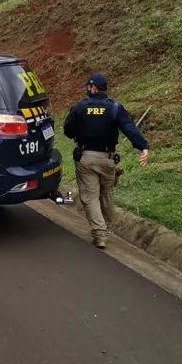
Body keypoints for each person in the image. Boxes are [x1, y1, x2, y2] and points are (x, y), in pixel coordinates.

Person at [63, 73, 149, 249]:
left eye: (88, 87)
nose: (87, 90)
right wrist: (143, 147)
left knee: (90, 196)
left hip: (86, 159)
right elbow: (129, 128)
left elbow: (68, 130)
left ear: (94, 88)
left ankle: (100, 233)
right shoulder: (115, 108)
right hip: (108, 160)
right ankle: (106, 227)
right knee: (107, 195)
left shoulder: (80, 107)